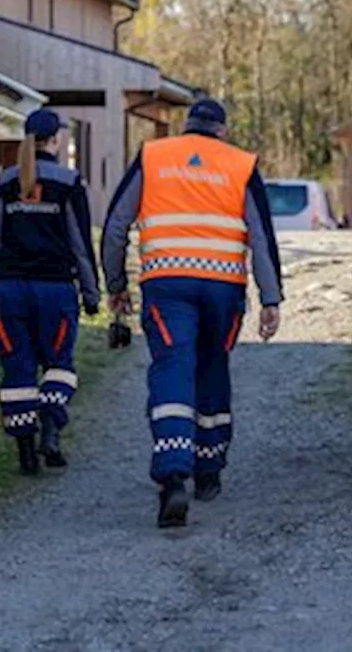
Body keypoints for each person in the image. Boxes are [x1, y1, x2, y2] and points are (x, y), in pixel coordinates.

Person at [101, 97, 284, 528]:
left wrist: (116, 286)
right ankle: (209, 469)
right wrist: (271, 299)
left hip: (166, 285)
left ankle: (173, 473)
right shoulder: (241, 164)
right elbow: (261, 235)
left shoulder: (154, 156)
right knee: (212, 366)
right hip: (224, 289)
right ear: (222, 129)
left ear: (186, 127)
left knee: (172, 369)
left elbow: (115, 227)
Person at [0, 108, 101, 476]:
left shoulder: (7, 182)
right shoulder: (69, 181)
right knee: (59, 366)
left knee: (18, 370)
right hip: (55, 290)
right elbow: (80, 245)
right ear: (56, 140)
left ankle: (26, 454)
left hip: (9, 291)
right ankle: (51, 428)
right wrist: (92, 295)